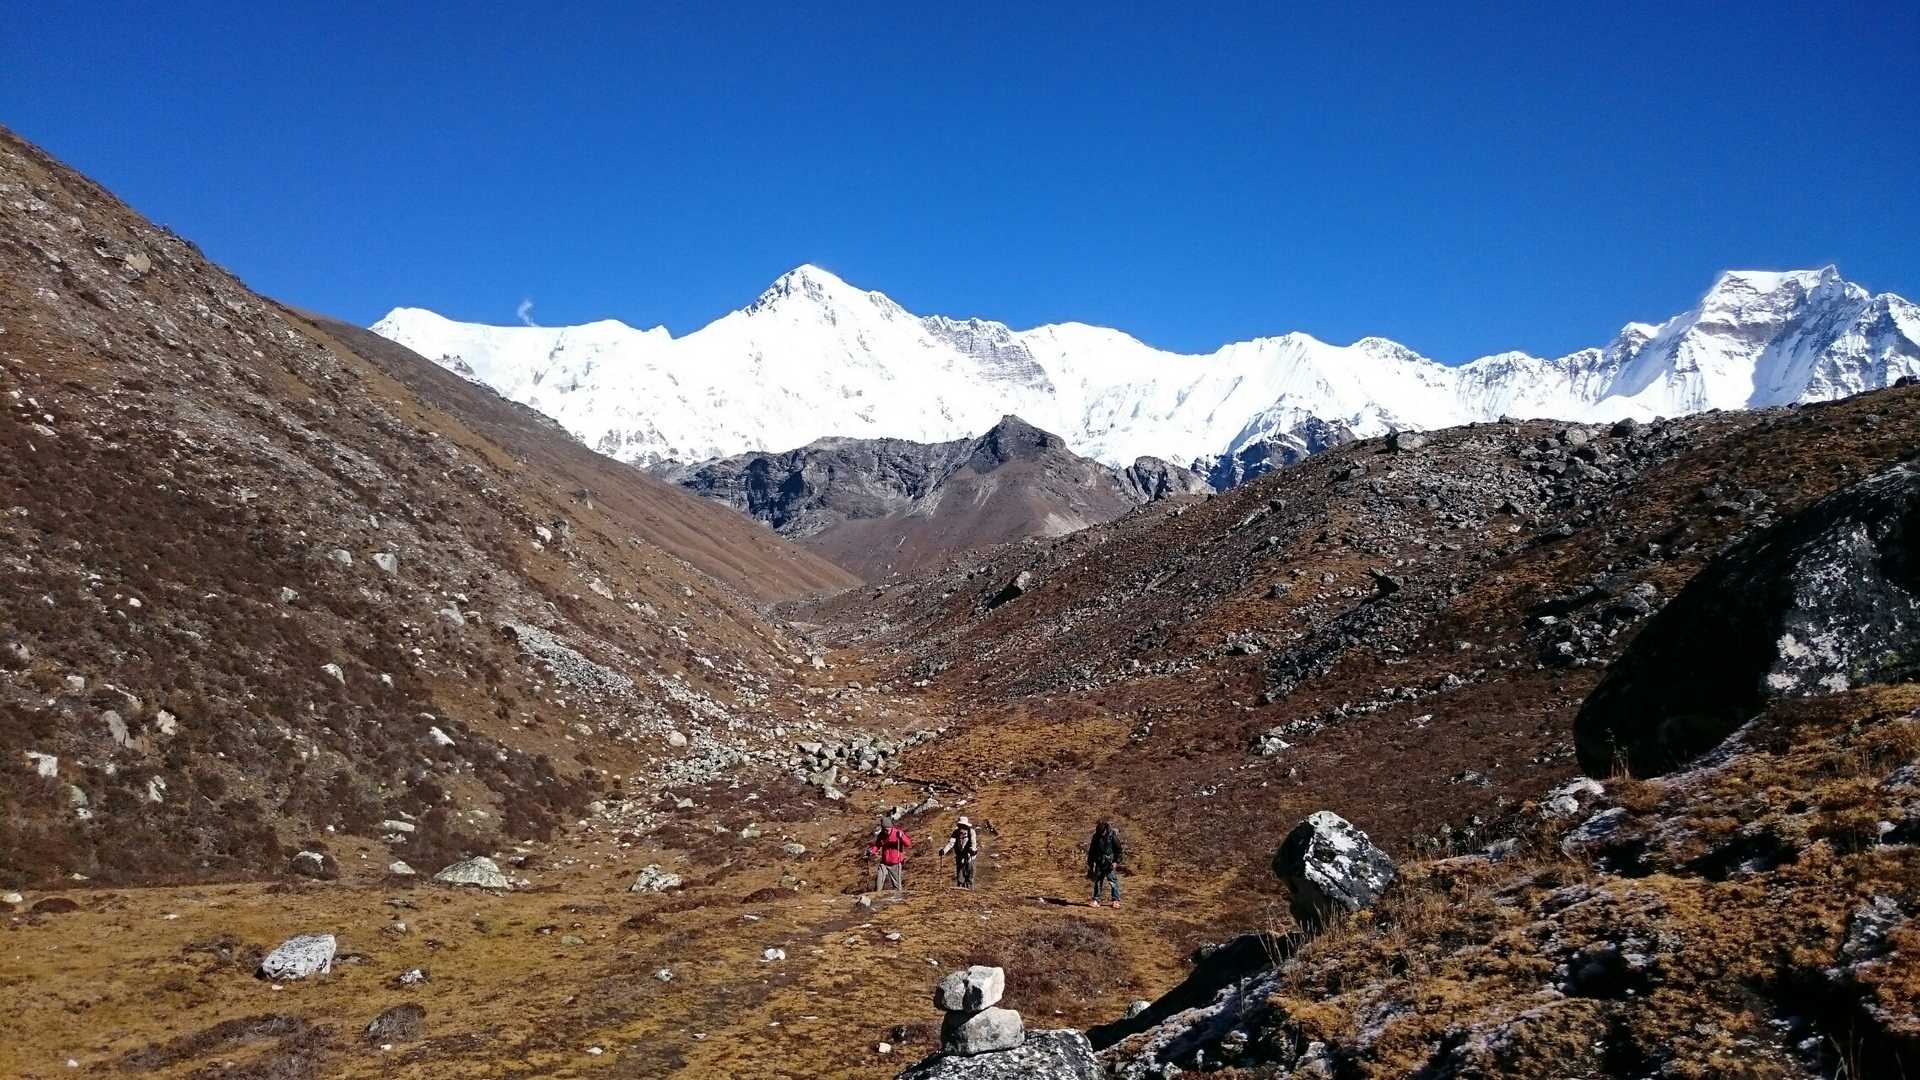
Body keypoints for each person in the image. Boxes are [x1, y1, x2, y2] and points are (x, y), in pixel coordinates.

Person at [868, 815, 911, 897]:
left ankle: (898, 899)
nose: (886, 832)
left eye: (888, 830)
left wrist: (902, 837)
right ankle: (877, 895)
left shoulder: (898, 833)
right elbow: (877, 845)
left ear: (891, 827)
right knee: (879, 879)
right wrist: (872, 851)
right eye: (884, 830)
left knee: (897, 886)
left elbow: (908, 844)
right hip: (884, 863)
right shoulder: (881, 835)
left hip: (896, 864)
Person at [1087, 819, 1123, 907]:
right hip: (1099, 862)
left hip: (1109, 863)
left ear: (1105, 830)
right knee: (1098, 882)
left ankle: (1116, 900)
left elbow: (1118, 850)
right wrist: (1090, 863)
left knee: (1112, 881)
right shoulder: (1096, 837)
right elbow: (1092, 850)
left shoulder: (1112, 836)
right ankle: (1096, 900)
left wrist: (1116, 862)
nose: (1101, 835)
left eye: (1102, 833)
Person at [938, 816, 980, 888]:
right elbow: (951, 843)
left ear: (966, 826)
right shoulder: (956, 832)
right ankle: (960, 889)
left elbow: (973, 843)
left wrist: (972, 850)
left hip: (970, 857)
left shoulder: (971, 832)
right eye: (960, 825)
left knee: (970, 876)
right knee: (960, 877)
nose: (961, 827)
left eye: (963, 826)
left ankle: (970, 890)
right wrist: (944, 851)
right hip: (960, 856)